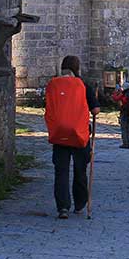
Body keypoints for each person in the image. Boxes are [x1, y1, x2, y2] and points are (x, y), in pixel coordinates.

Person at [44, 55, 100, 219]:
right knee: (80, 169)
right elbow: (95, 110)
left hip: (59, 134)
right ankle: (80, 203)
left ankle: (63, 207)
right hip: (79, 135)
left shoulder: (53, 84)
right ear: (77, 68)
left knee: (61, 171)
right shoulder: (83, 85)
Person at [111, 82, 129, 149]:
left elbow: (115, 98)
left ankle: (125, 144)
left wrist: (116, 92)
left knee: (124, 129)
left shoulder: (123, 95)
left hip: (124, 113)